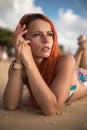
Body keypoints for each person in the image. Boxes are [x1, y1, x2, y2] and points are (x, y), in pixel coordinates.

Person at [3, 13, 87, 116]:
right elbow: (10, 105)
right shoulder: (18, 65)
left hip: (83, 78)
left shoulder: (65, 60)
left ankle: (83, 49)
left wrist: (29, 62)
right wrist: (19, 58)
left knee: (81, 67)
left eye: (49, 34)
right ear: (23, 40)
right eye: (37, 34)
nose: (46, 40)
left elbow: (51, 109)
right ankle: (82, 48)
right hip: (70, 72)